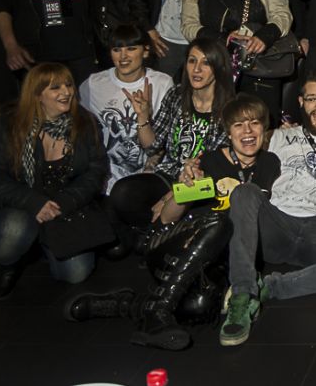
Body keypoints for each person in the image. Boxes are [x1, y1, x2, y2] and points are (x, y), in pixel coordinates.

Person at [64, 94, 279, 351]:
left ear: (264, 129)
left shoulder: (270, 164)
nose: (248, 131)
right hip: (178, 244)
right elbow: (168, 217)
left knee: (199, 306)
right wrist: (184, 189)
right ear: (228, 132)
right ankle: (159, 308)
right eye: (239, 125)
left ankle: (126, 304)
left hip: (219, 259)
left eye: (254, 123)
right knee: (220, 224)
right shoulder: (209, 161)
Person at [219, 71, 316, 346]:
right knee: (245, 192)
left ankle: (268, 288)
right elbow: (239, 144)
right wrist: (196, 165)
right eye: (312, 99)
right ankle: (242, 296)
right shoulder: (277, 136)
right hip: (276, 220)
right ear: (301, 102)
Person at [0, 63, 107, 299]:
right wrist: (33, 202)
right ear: (37, 95)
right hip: (20, 206)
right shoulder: (6, 126)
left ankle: (40, 246)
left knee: (76, 273)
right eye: (55, 87)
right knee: (13, 231)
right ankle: (8, 265)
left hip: (63, 208)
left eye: (68, 85)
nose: (66, 92)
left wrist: (65, 202)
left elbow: (96, 171)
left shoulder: (85, 123)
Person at [107, 39, 233, 232]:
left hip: (203, 182)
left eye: (206, 63)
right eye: (192, 61)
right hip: (170, 174)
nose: (196, 69)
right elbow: (152, 147)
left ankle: (157, 235)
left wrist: (171, 196)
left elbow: (215, 166)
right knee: (121, 194)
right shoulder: (177, 95)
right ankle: (152, 235)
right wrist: (143, 117)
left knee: (165, 213)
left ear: (219, 68)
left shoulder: (230, 110)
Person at [79, 24, 174, 192]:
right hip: (105, 180)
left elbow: (167, 139)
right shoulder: (94, 84)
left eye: (131, 49)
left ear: (145, 51)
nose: (123, 56)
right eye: (117, 49)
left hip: (149, 178)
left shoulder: (162, 83)